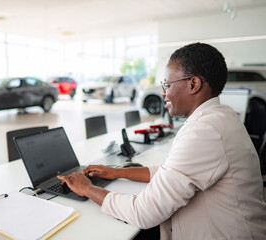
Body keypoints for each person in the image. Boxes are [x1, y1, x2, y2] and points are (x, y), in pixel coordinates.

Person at [58, 42, 266, 239]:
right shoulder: (220, 116)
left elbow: (143, 213)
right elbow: (171, 171)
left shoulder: (206, 130)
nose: (163, 92)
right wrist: (117, 172)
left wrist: (87, 189)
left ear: (193, 84)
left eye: (167, 84)